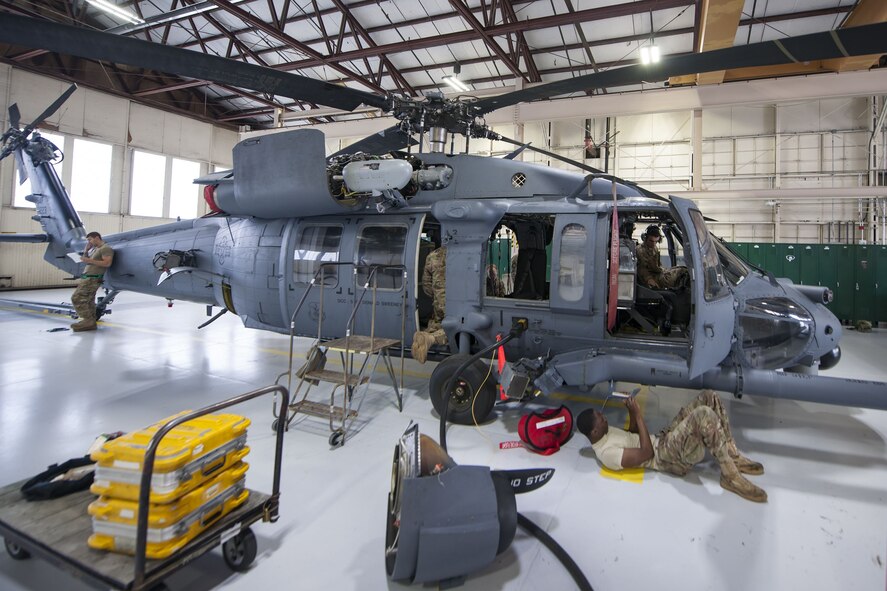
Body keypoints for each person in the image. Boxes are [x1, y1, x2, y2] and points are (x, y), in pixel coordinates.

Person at [576, 389, 767, 503]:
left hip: (662, 440)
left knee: (709, 396)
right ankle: (730, 476)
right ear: (594, 432)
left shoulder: (605, 432)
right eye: (601, 419)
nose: (605, 418)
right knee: (703, 414)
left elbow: (632, 435)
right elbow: (646, 453)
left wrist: (631, 413)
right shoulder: (606, 454)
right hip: (664, 456)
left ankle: (732, 455)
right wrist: (639, 415)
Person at [71, 231, 114, 332]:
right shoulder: (96, 249)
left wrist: (89, 261)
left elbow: (107, 263)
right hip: (88, 277)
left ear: (97, 238)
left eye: (90, 239)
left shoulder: (106, 248)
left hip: (93, 278)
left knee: (76, 298)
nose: (89, 242)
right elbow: (87, 260)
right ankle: (91, 322)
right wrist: (86, 250)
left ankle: (87, 320)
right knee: (89, 301)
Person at [412, 246, 447, 363]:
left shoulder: (432, 255)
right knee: (451, 329)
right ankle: (430, 339)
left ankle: (424, 335)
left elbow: (426, 285)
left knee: (439, 323)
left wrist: (437, 296)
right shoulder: (462, 253)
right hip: (458, 301)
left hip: (439, 301)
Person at [636, 225, 688, 290]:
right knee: (681, 273)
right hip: (654, 278)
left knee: (683, 269)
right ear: (645, 238)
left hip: (659, 273)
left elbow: (657, 266)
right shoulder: (640, 250)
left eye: (656, 241)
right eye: (651, 241)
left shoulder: (654, 248)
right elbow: (642, 269)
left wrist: (664, 270)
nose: (654, 244)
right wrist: (649, 279)